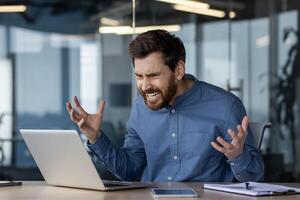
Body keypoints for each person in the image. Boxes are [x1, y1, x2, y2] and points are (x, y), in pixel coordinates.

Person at [66, 30, 264, 182]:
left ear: (178, 70)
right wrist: (95, 137)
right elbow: (130, 170)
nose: (144, 86)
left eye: (153, 75)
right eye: (139, 76)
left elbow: (255, 178)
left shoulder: (225, 106)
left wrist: (238, 157)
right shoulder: (140, 108)